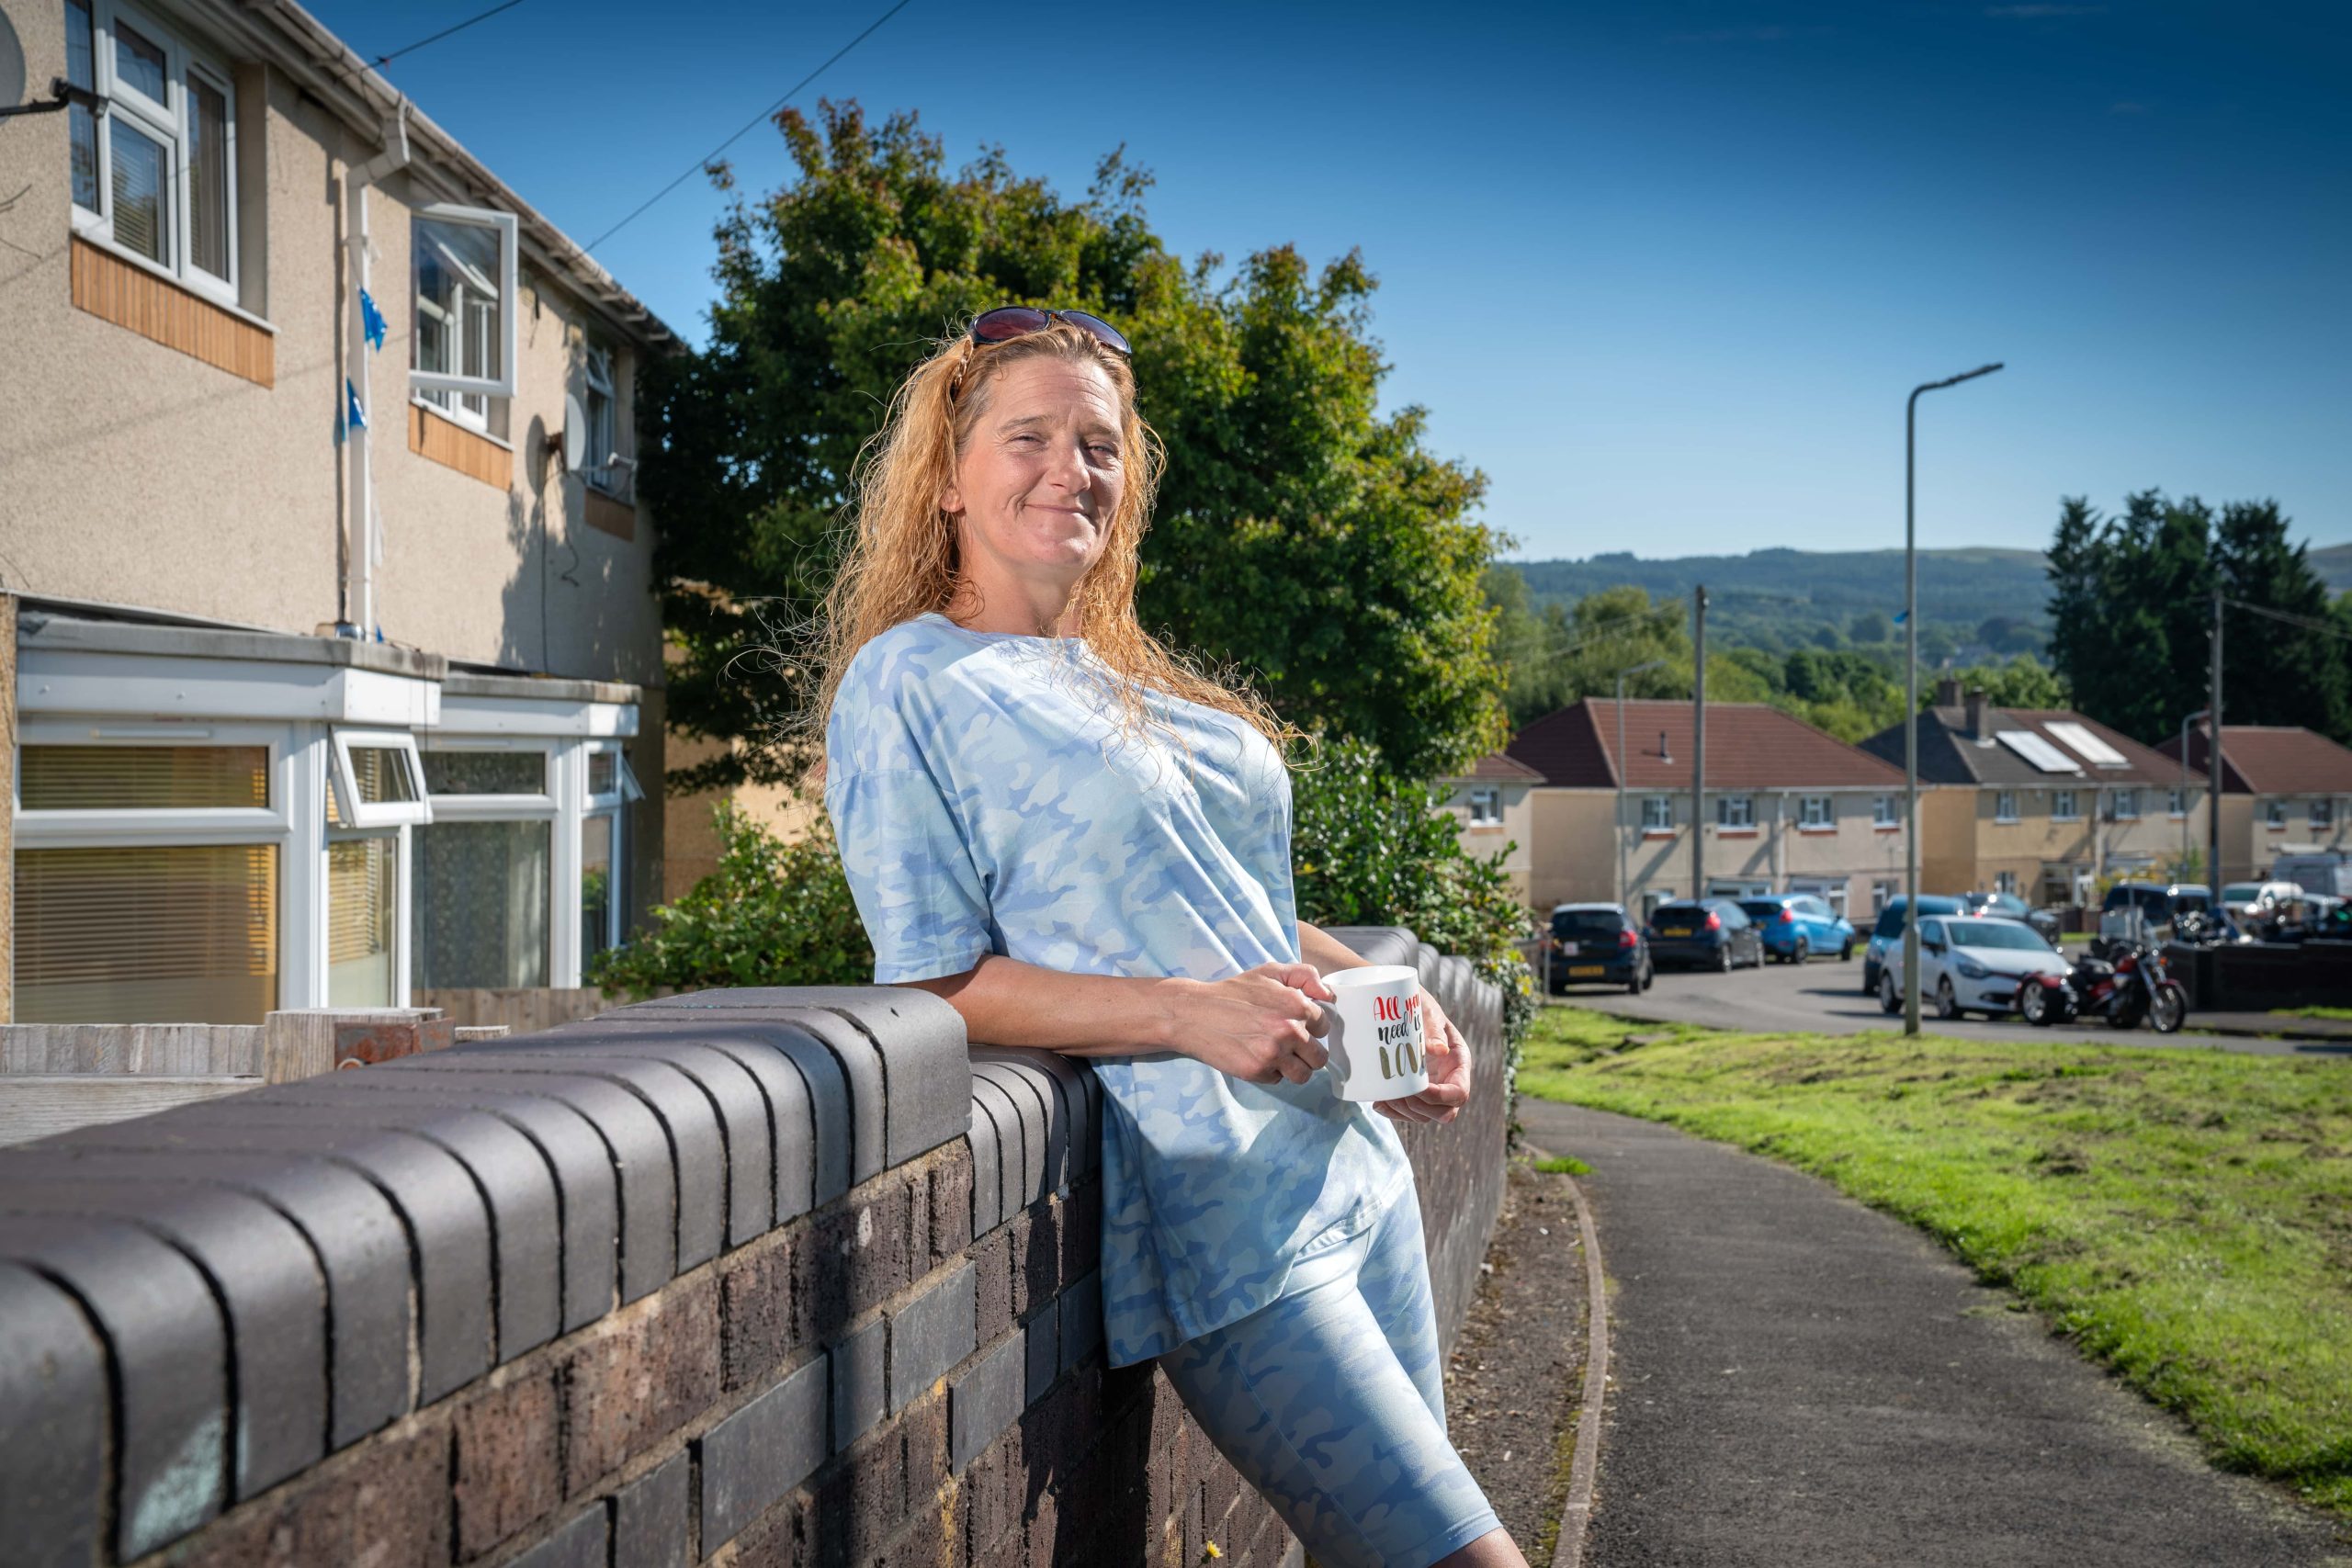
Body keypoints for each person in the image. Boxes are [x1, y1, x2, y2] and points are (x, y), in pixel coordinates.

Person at [817, 306, 1526, 1568]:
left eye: (1099, 443)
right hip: (1229, 1229)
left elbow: (1234, 909)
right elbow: (932, 980)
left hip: (1356, 1168)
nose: (1070, 467)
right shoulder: (910, 683)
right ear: (947, 478)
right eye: (1028, 435)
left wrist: (1381, 998)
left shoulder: (1111, 677)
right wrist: (1183, 1015)